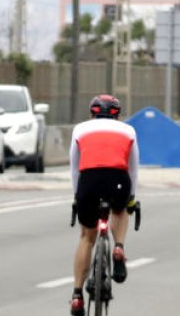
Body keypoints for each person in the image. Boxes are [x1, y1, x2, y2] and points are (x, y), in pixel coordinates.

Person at [68, 94, 139, 316]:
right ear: (118, 115)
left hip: (88, 183)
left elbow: (74, 168)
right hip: (117, 180)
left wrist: (77, 196)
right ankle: (118, 247)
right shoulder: (128, 131)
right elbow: (133, 169)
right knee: (121, 210)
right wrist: (132, 198)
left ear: (92, 113)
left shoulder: (80, 129)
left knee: (86, 237)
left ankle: (77, 296)